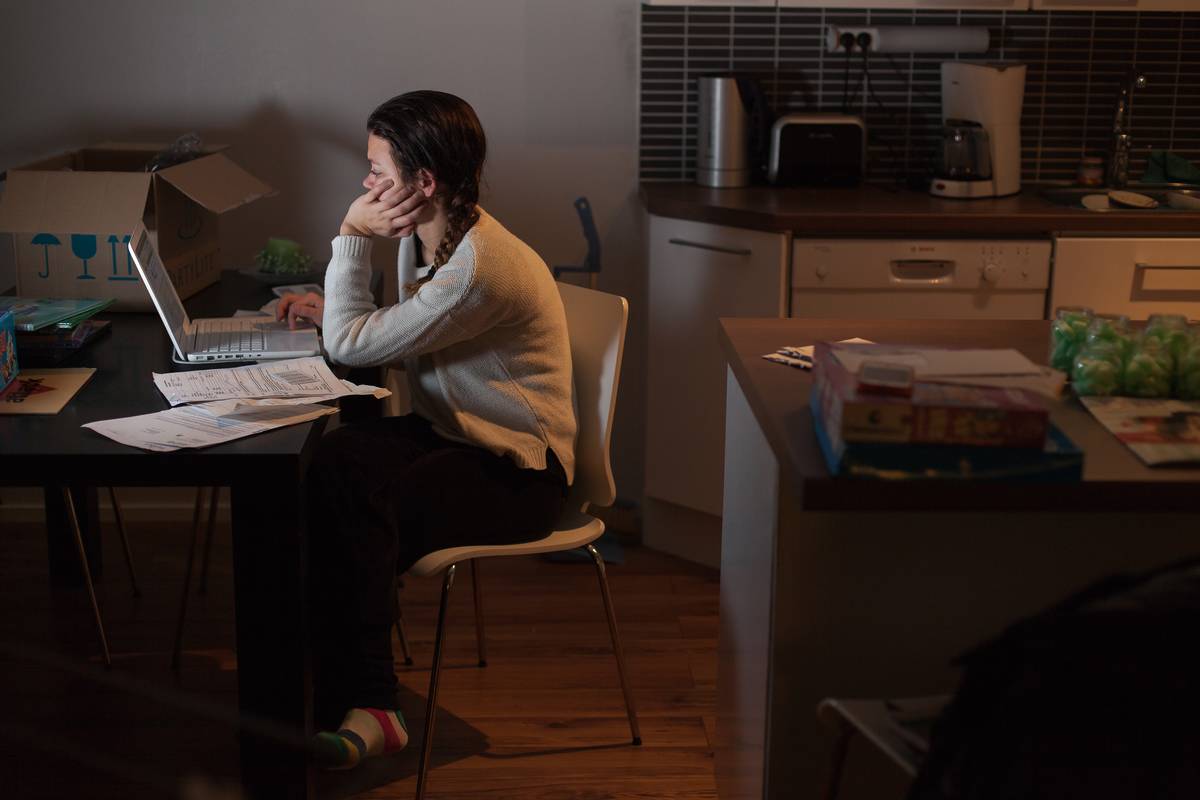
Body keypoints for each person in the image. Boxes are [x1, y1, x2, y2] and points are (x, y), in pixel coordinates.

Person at [280, 90, 577, 770]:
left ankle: (371, 704)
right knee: (335, 465)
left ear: (424, 183)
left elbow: (355, 348)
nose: (366, 184)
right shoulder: (443, 238)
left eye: (378, 169)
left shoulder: (479, 265)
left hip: (519, 474)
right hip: (458, 438)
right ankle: (341, 689)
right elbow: (395, 332)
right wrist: (338, 308)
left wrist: (351, 238)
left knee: (351, 495)